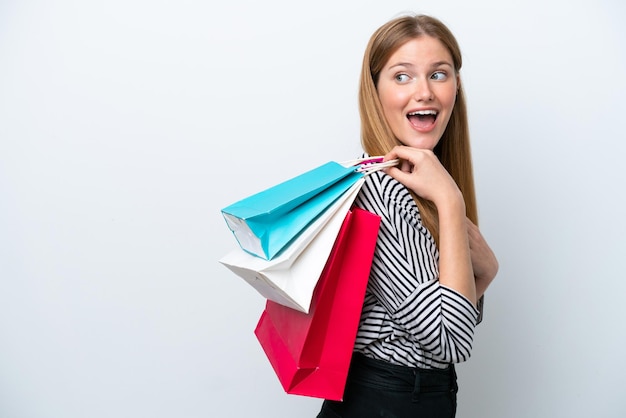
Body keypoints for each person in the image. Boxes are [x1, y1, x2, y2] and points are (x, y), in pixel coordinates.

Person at [316, 14, 499, 418]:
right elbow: (451, 340)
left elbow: (455, 317)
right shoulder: (383, 190)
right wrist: (452, 203)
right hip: (383, 399)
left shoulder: (422, 184)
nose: (424, 93)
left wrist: (482, 275)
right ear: (375, 91)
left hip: (418, 395)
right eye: (402, 76)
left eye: (439, 74)